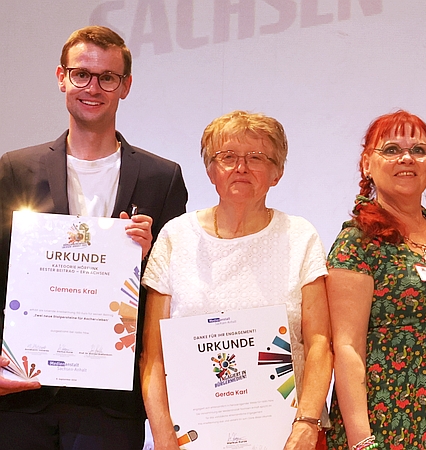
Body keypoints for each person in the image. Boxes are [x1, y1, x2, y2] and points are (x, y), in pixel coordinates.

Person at [0, 26, 187, 449]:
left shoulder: (162, 178)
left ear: (126, 86)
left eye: (108, 78)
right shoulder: (15, 168)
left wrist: (149, 255)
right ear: (61, 77)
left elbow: (173, 290)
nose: (93, 88)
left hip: (111, 401)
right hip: (22, 391)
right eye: (81, 74)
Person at [139, 111, 332, 450]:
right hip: (191, 441)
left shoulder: (300, 236)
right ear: (210, 170)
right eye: (227, 157)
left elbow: (320, 344)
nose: (241, 167)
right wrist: (164, 436)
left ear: (277, 172)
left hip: (287, 439)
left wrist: (306, 424)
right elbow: (153, 357)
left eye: (256, 157)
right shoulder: (176, 237)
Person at [326, 110, 426, 450]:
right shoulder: (357, 241)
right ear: (367, 164)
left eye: (419, 150)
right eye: (391, 149)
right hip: (389, 431)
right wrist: (361, 442)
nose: (406, 158)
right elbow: (346, 347)